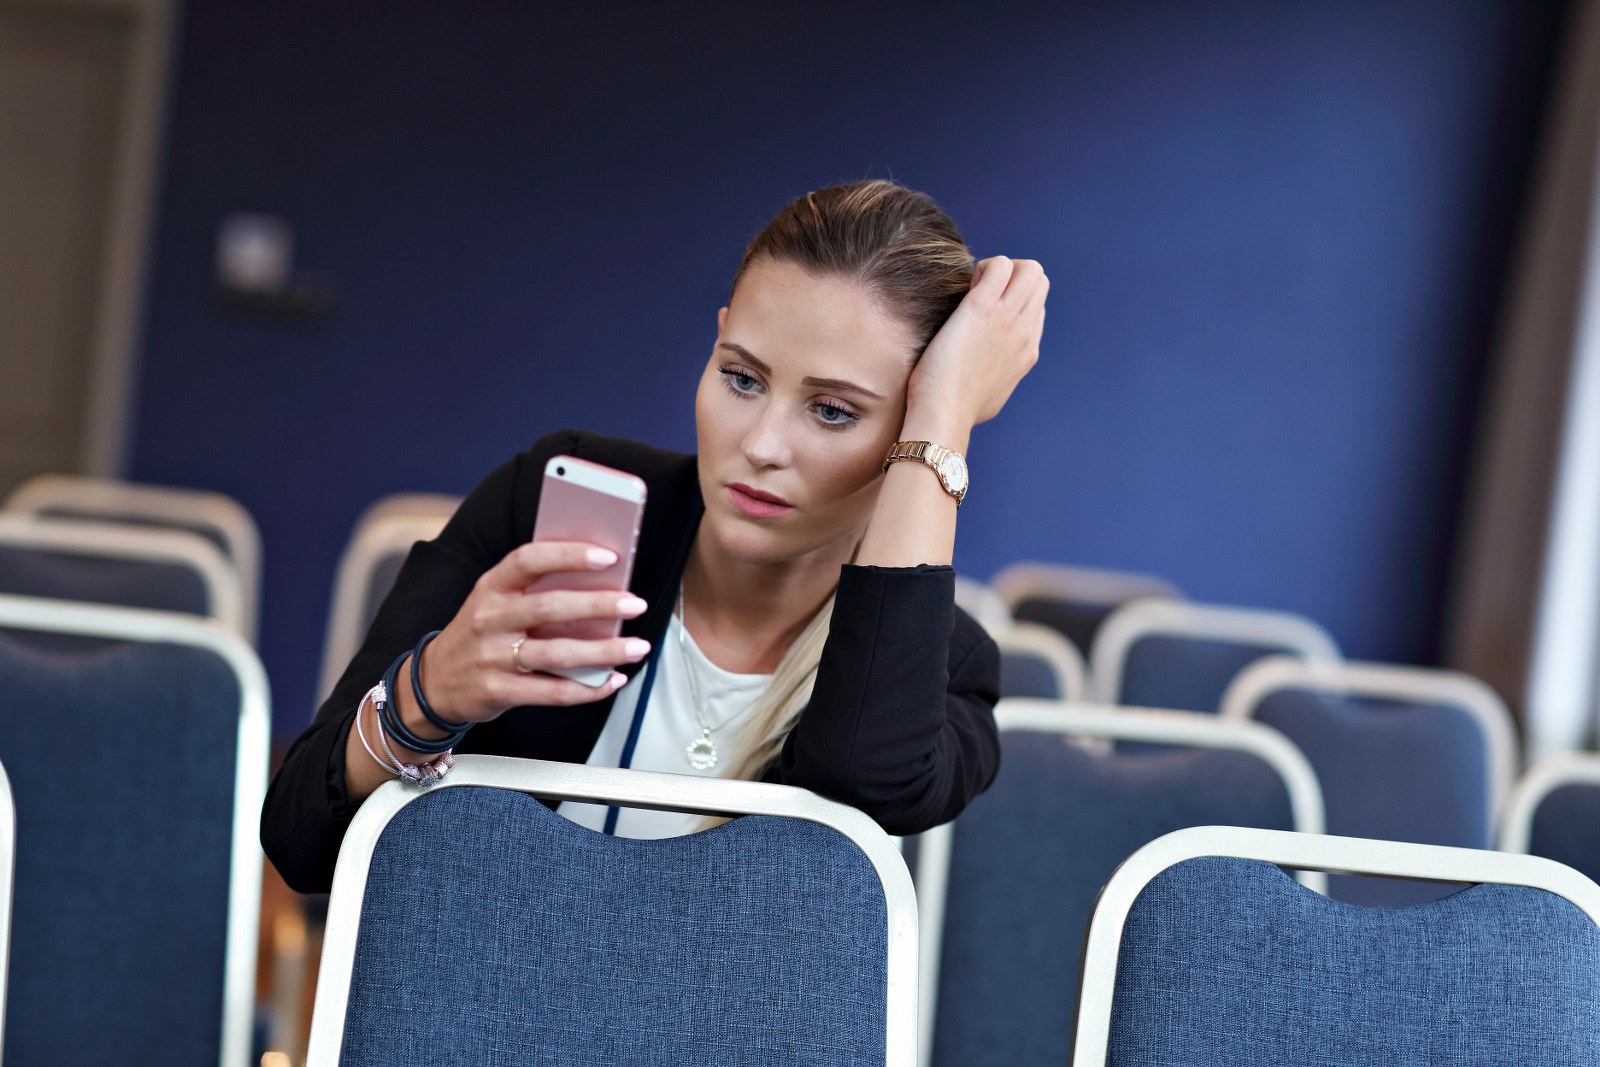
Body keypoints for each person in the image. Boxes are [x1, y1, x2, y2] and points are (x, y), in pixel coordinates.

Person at [262, 179, 1048, 892]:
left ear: (907, 431)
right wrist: (425, 694)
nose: (762, 442)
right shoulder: (549, 501)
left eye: (832, 410)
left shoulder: (945, 665)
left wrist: (943, 421)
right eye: (742, 377)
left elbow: (864, 778)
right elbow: (300, 841)